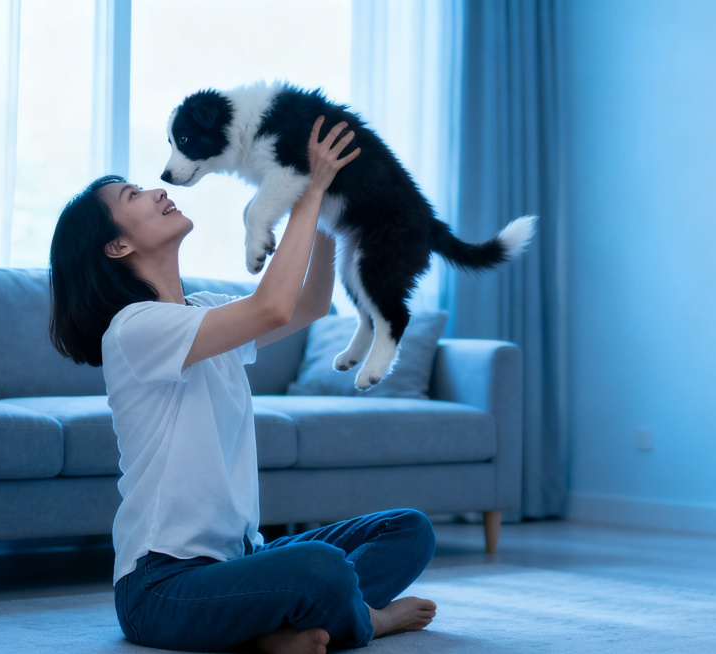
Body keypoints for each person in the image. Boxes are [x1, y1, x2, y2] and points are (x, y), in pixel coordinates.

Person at [47, 116, 437, 654]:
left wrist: (328, 204)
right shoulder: (134, 329)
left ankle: (269, 631)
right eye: (133, 195)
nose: (157, 191)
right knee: (320, 569)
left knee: (407, 529)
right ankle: (368, 622)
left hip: (239, 563)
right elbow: (273, 305)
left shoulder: (201, 310)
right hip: (162, 587)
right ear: (116, 247)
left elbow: (308, 305)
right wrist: (310, 187)